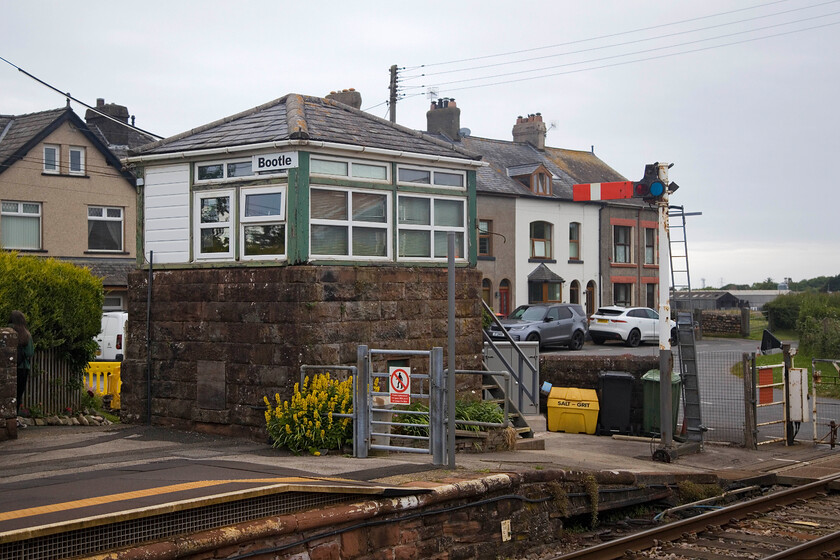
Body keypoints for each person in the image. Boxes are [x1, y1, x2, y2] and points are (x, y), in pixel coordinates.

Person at [10, 310, 34, 416]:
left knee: (7, 393)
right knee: (18, 394)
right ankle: (14, 417)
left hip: (8, 368)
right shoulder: (26, 334)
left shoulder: (7, 331)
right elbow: (30, 352)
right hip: (22, 368)